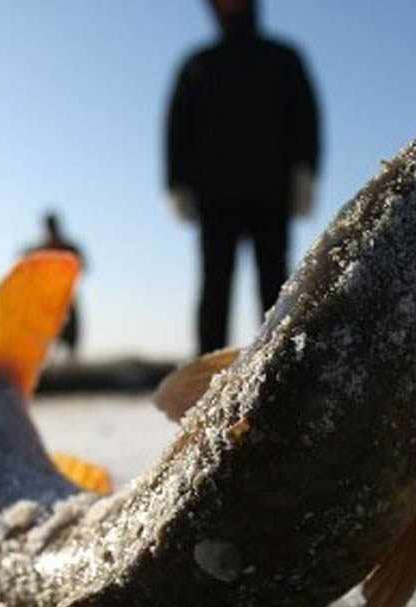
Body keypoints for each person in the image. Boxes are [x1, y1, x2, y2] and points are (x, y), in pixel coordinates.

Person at [165, 0, 322, 354]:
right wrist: (176, 182)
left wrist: (306, 172)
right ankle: (206, 382)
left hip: (271, 194)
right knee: (214, 289)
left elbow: (305, 118)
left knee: (277, 288)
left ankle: (282, 369)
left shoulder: (283, 59)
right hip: (215, 197)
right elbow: (178, 128)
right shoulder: (198, 65)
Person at [24, 213, 83, 356]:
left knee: (70, 337)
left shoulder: (68, 248)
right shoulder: (38, 250)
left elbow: (82, 266)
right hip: (46, 300)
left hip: (65, 297)